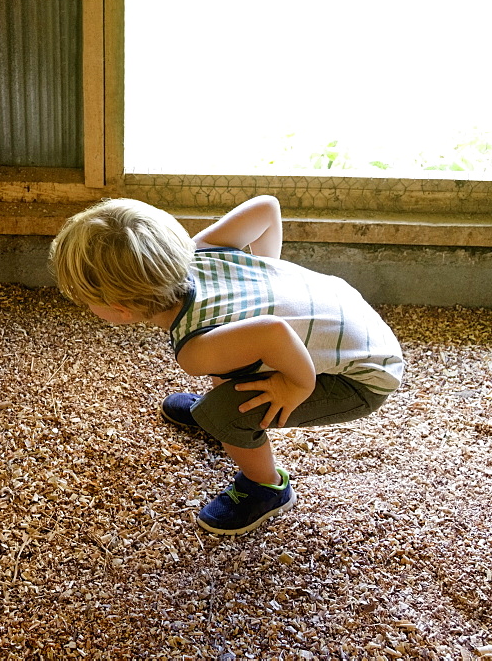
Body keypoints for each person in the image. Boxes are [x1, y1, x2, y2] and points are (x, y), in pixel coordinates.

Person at [49, 195, 404, 535]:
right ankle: (228, 412)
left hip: (363, 377)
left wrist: (296, 386)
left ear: (120, 311)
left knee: (223, 415)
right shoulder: (201, 249)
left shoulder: (195, 351)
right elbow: (267, 209)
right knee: (231, 355)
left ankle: (266, 487)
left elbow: (273, 332)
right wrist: (271, 275)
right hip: (347, 311)